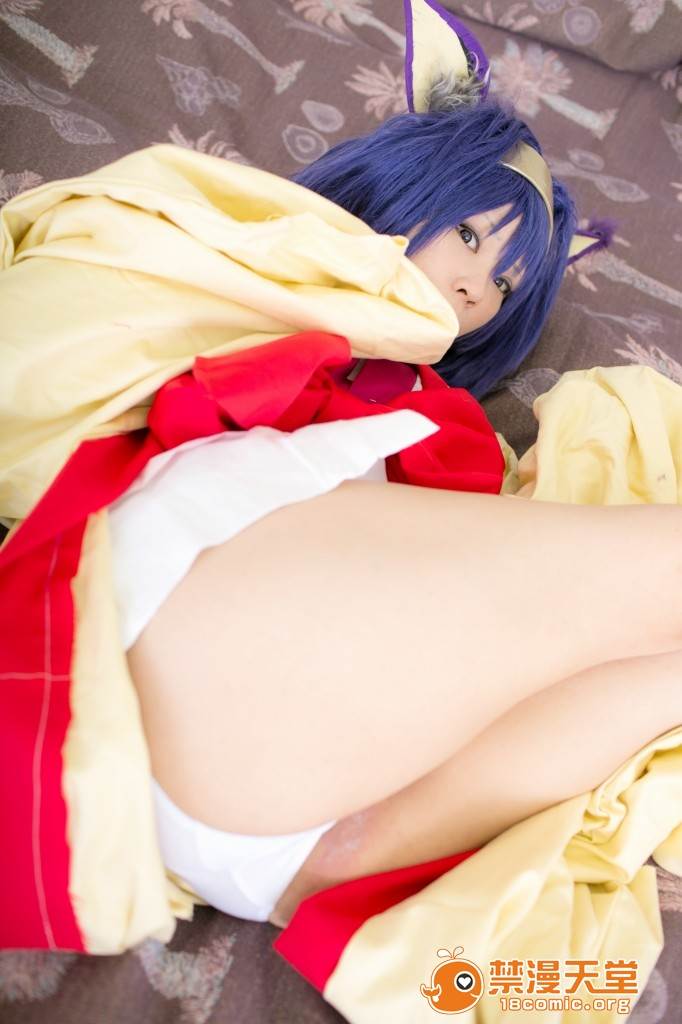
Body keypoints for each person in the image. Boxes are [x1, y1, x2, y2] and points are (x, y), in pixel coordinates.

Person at [117, 91, 682, 932]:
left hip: (277, 850)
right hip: (191, 610)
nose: (477, 287)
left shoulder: (424, 408)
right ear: (404, 182)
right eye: (469, 235)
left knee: (664, 672)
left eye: (504, 284)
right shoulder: (265, 269)